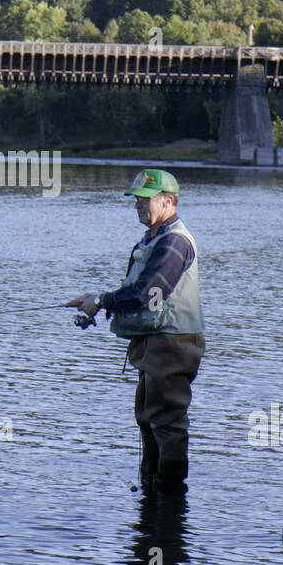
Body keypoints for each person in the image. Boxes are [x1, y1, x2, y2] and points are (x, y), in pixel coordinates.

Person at [67, 168, 205, 493]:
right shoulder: (155, 238)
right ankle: (152, 492)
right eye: (136, 200)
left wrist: (101, 300)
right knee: (148, 417)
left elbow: (148, 292)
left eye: (144, 200)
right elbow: (139, 291)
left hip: (172, 344)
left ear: (167, 201)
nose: (137, 206)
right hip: (155, 344)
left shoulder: (174, 242)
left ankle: (169, 497)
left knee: (166, 421)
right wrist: (97, 302)